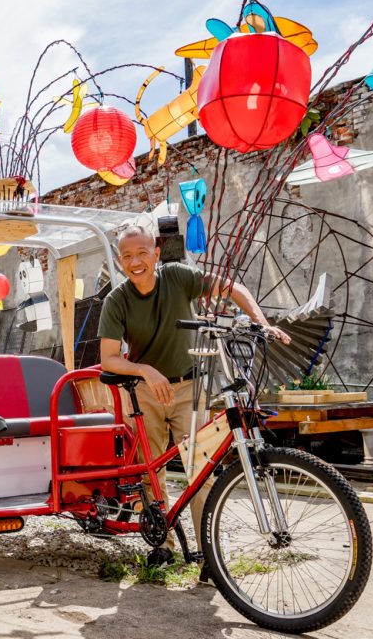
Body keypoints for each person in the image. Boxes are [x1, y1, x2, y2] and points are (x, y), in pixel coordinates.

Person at [98, 225, 291, 568]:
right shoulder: (117, 301)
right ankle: (163, 544)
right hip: (145, 392)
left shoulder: (178, 277)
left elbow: (232, 288)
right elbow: (109, 358)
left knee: (200, 471)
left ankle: (209, 553)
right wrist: (145, 370)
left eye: (142, 252)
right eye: (127, 256)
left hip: (190, 388)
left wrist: (260, 323)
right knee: (151, 472)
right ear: (119, 261)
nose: (135, 261)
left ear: (156, 253)